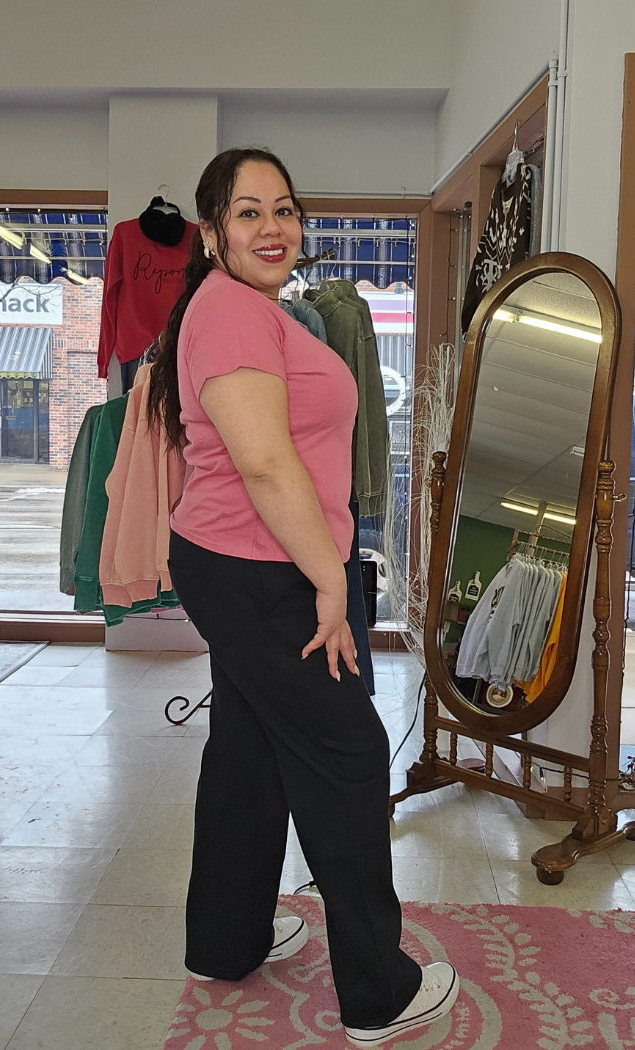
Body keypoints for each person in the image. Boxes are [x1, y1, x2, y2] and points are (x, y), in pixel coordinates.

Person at [147, 146, 459, 1047]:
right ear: (211, 234)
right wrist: (333, 579)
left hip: (245, 561)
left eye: (284, 209)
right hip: (265, 571)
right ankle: (378, 991)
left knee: (249, 753)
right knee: (349, 752)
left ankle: (226, 939)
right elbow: (264, 462)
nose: (273, 227)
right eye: (248, 213)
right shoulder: (235, 317)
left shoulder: (250, 309)